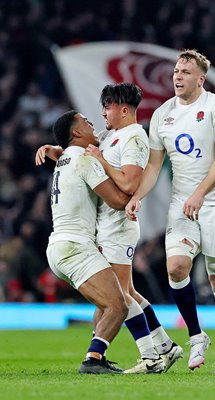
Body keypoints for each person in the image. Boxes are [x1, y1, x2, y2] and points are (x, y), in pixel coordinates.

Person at [36, 83, 183, 374]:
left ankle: (146, 356)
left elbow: (128, 185)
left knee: (118, 299)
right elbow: (79, 148)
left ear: (123, 109)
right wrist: (55, 148)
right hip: (95, 233)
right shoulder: (109, 136)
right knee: (123, 294)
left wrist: (100, 161)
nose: (100, 113)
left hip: (117, 227)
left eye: (107, 107)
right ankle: (164, 347)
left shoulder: (134, 138)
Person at [125, 50, 215, 375]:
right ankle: (196, 335)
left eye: (186, 72)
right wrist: (138, 196)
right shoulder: (163, 115)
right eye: (177, 71)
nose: (178, 76)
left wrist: (200, 193)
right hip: (183, 205)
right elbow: (153, 166)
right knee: (176, 268)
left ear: (200, 79)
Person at [45, 110, 129, 374]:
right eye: (85, 121)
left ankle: (97, 357)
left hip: (61, 246)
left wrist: (52, 148)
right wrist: (116, 171)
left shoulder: (66, 158)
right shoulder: (84, 160)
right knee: (119, 306)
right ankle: (92, 359)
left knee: (105, 305)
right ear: (77, 133)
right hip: (75, 247)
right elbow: (117, 201)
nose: (91, 123)